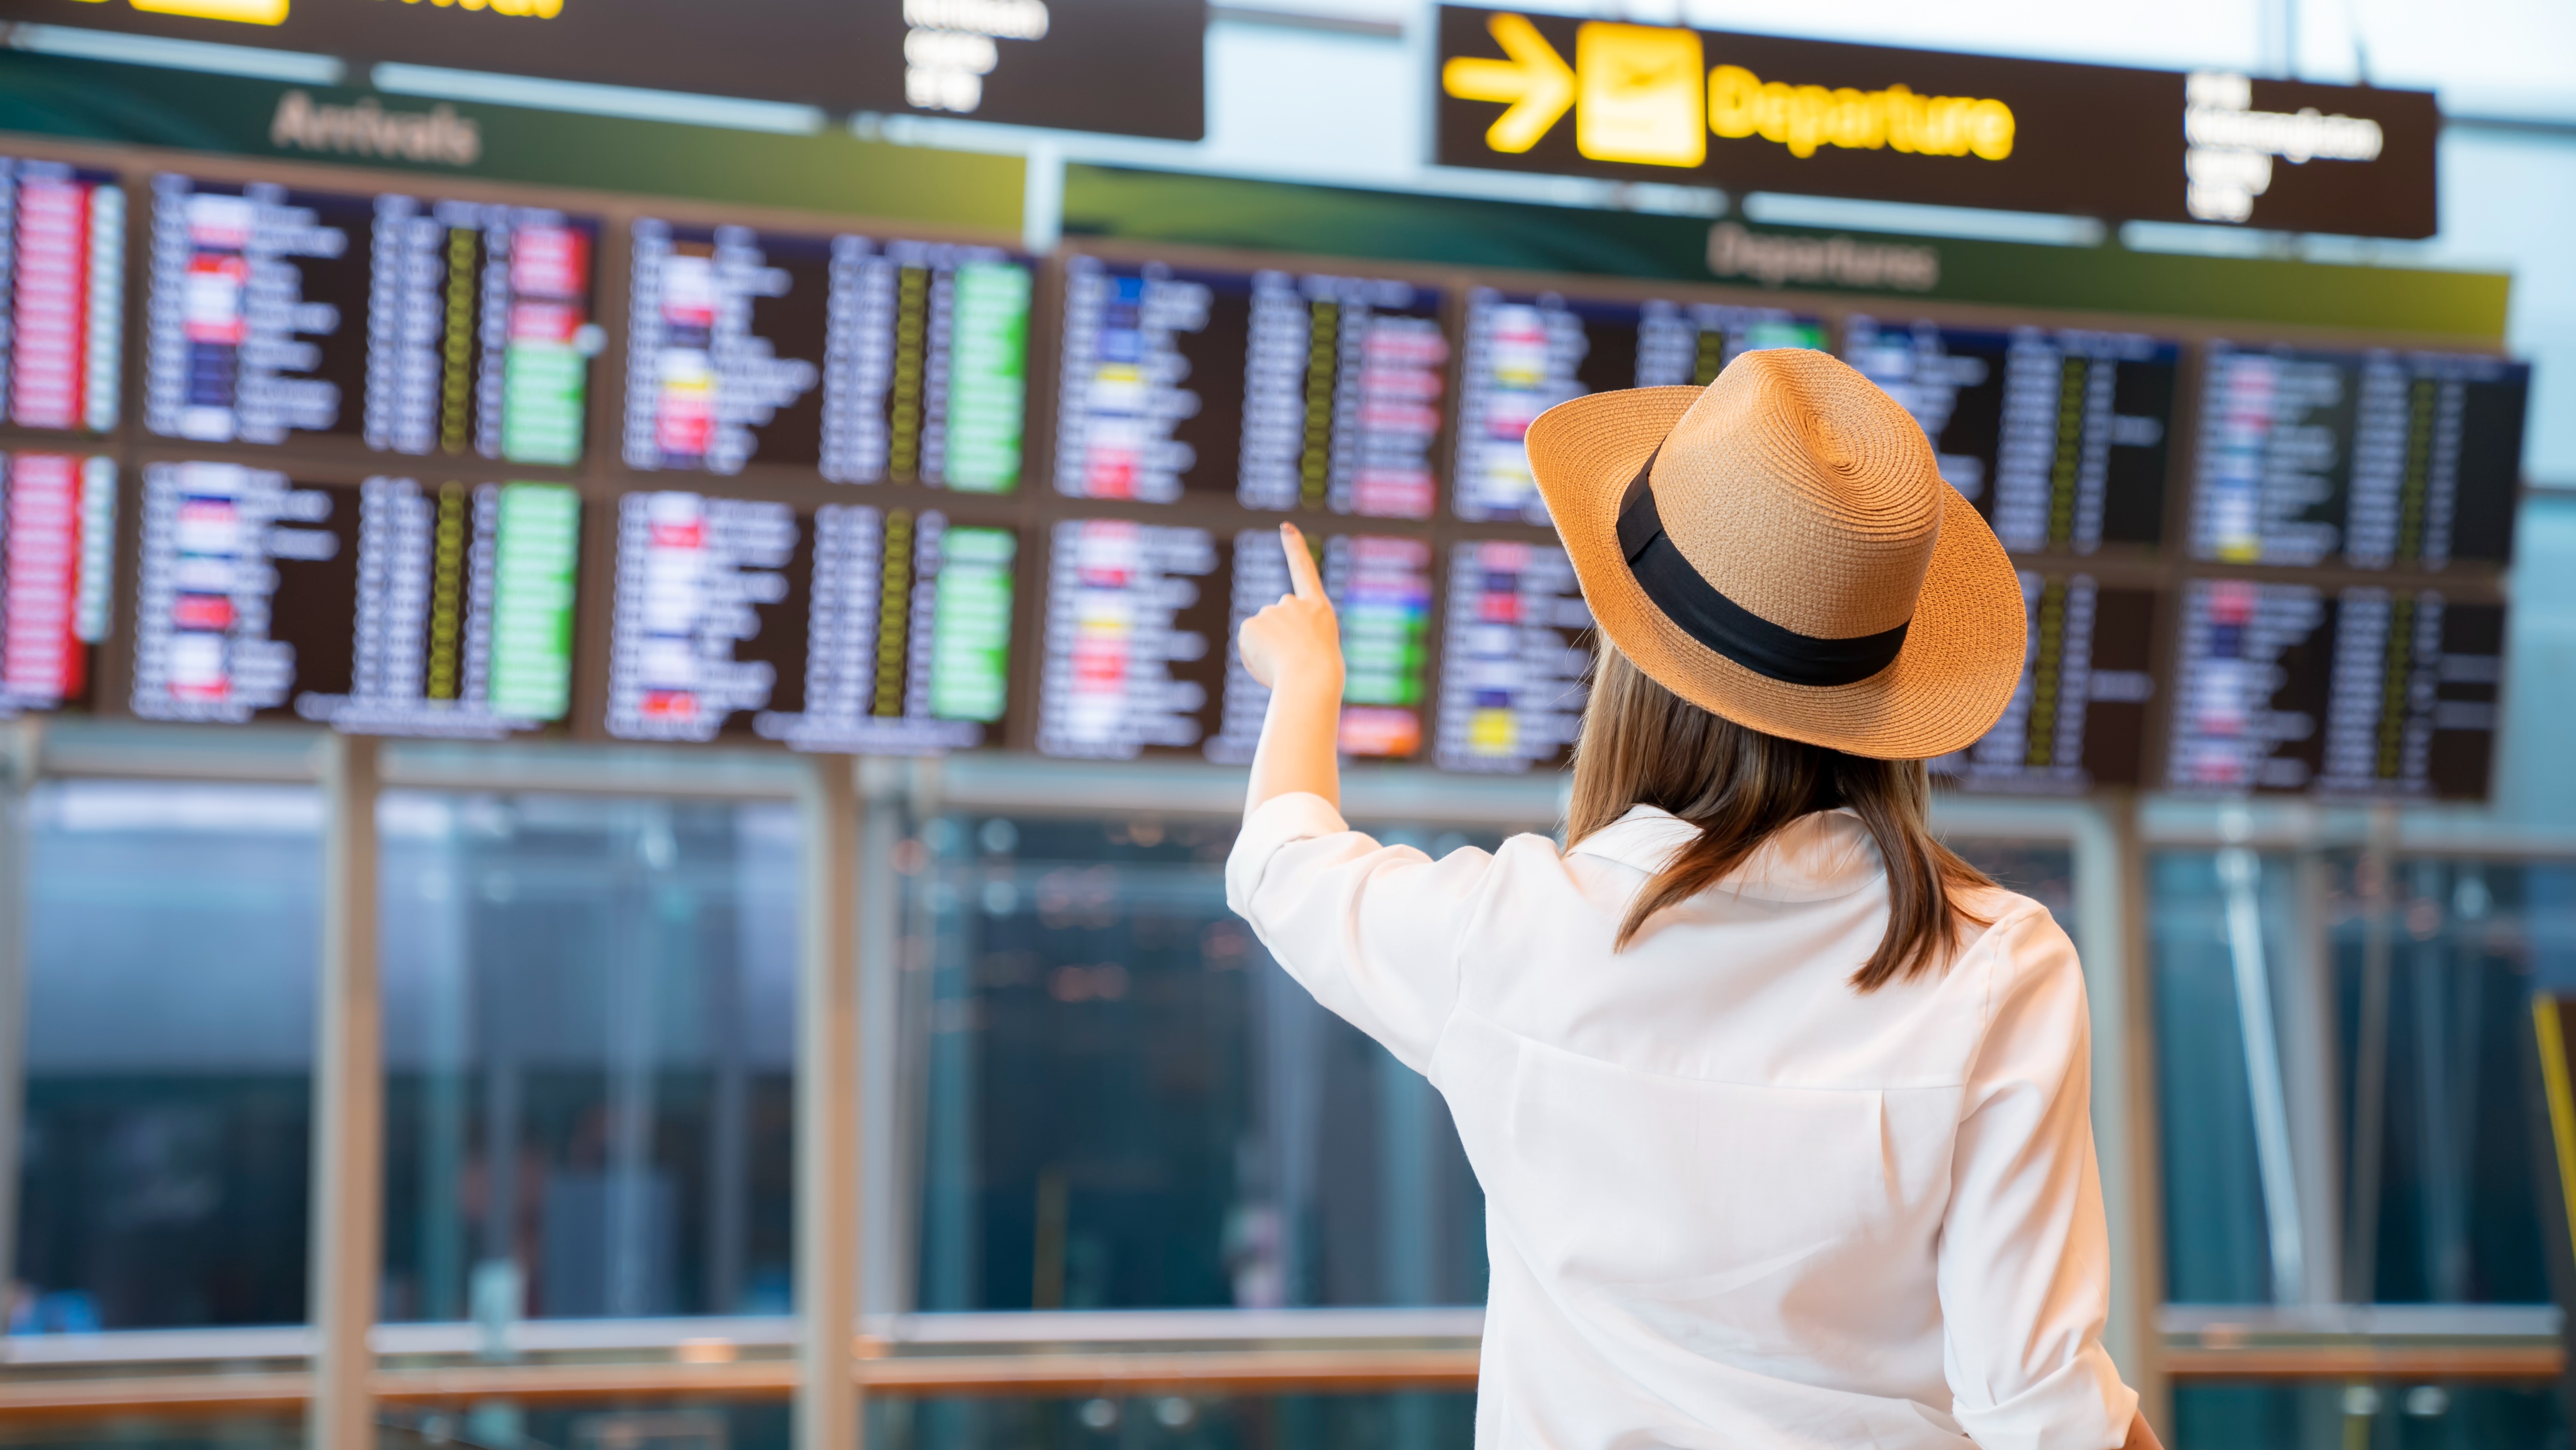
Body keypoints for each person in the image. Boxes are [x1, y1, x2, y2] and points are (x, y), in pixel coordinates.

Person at [1226, 348, 2163, 1450]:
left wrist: (1308, 678)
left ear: (1632, 670)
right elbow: (2042, 1405)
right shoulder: (1999, 966)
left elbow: (1284, 864)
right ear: (1886, 701)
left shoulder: (1512, 933)